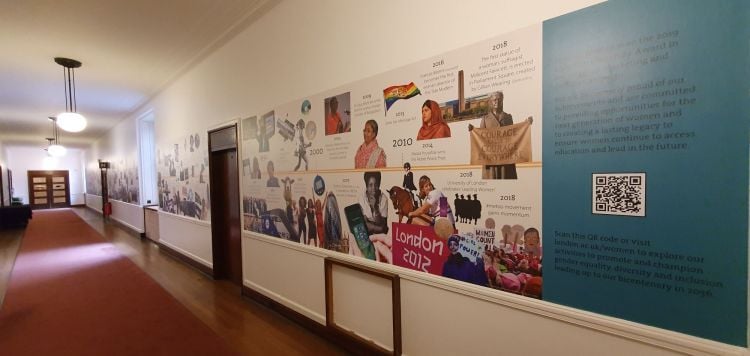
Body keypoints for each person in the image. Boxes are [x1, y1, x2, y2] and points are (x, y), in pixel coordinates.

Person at [468, 91, 532, 179]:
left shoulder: (508, 117)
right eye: (494, 100)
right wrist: (473, 130)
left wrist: (526, 123)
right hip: (490, 160)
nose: (496, 102)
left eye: (499, 99)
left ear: (502, 101)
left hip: (506, 159)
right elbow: (480, 138)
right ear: (490, 102)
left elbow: (515, 134)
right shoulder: (485, 119)